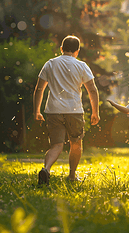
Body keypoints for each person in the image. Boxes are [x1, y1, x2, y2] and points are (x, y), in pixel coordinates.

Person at [33, 35, 100, 185]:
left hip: (53, 111)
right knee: (76, 143)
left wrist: (36, 111)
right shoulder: (81, 66)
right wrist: (95, 112)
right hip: (74, 111)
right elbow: (93, 90)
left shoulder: (50, 64)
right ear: (77, 51)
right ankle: (72, 176)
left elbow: (39, 89)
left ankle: (46, 169)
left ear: (61, 49)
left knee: (56, 145)